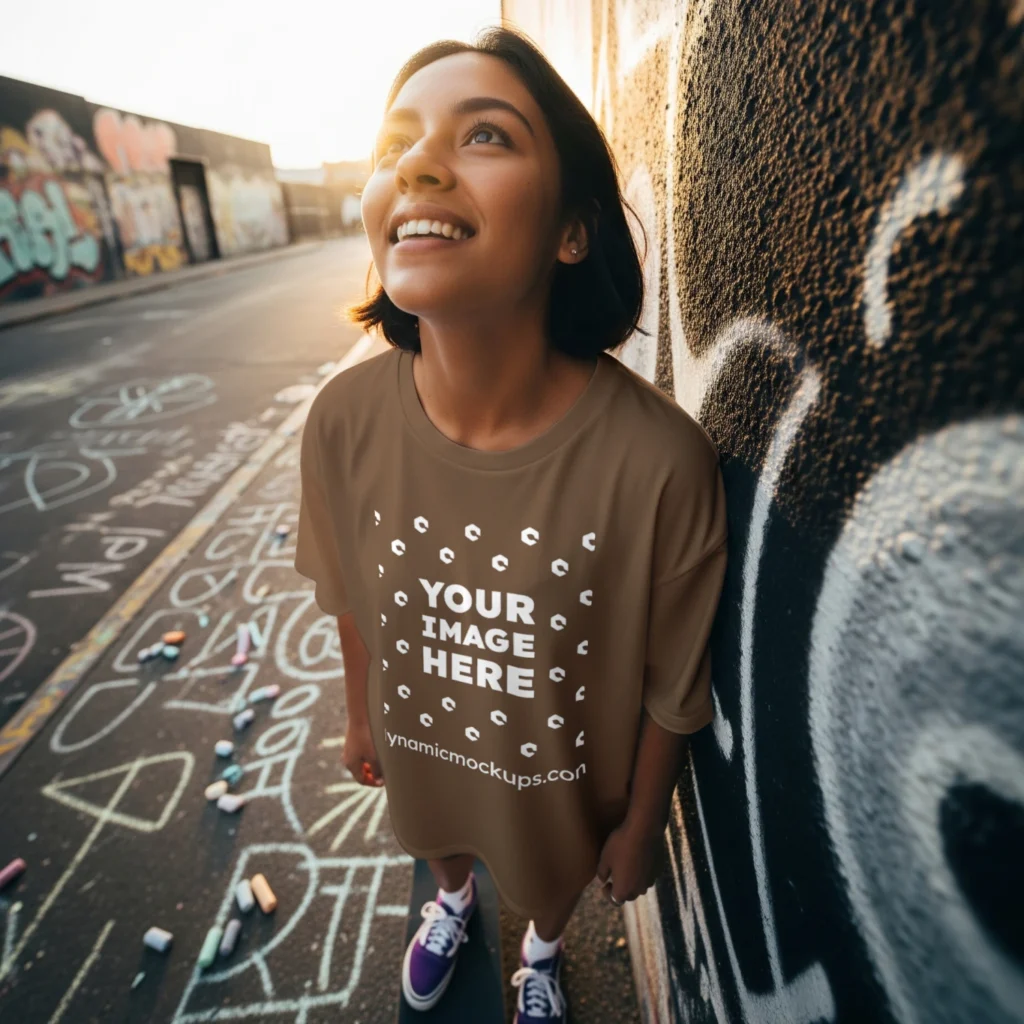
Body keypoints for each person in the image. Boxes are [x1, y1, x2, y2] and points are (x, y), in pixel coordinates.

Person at [294, 26, 727, 1024]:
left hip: (559, 794)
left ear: (572, 231)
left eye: (484, 134)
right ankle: (451, 904)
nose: (417, 164)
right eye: (395, 142)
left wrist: (640, 826)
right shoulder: (343, 422)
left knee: (545, 880)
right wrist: (360, 715)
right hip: (420, 751)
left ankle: (540, 952)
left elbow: (674, 690)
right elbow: (350, 598)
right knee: (441, 841)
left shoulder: (659, 461)